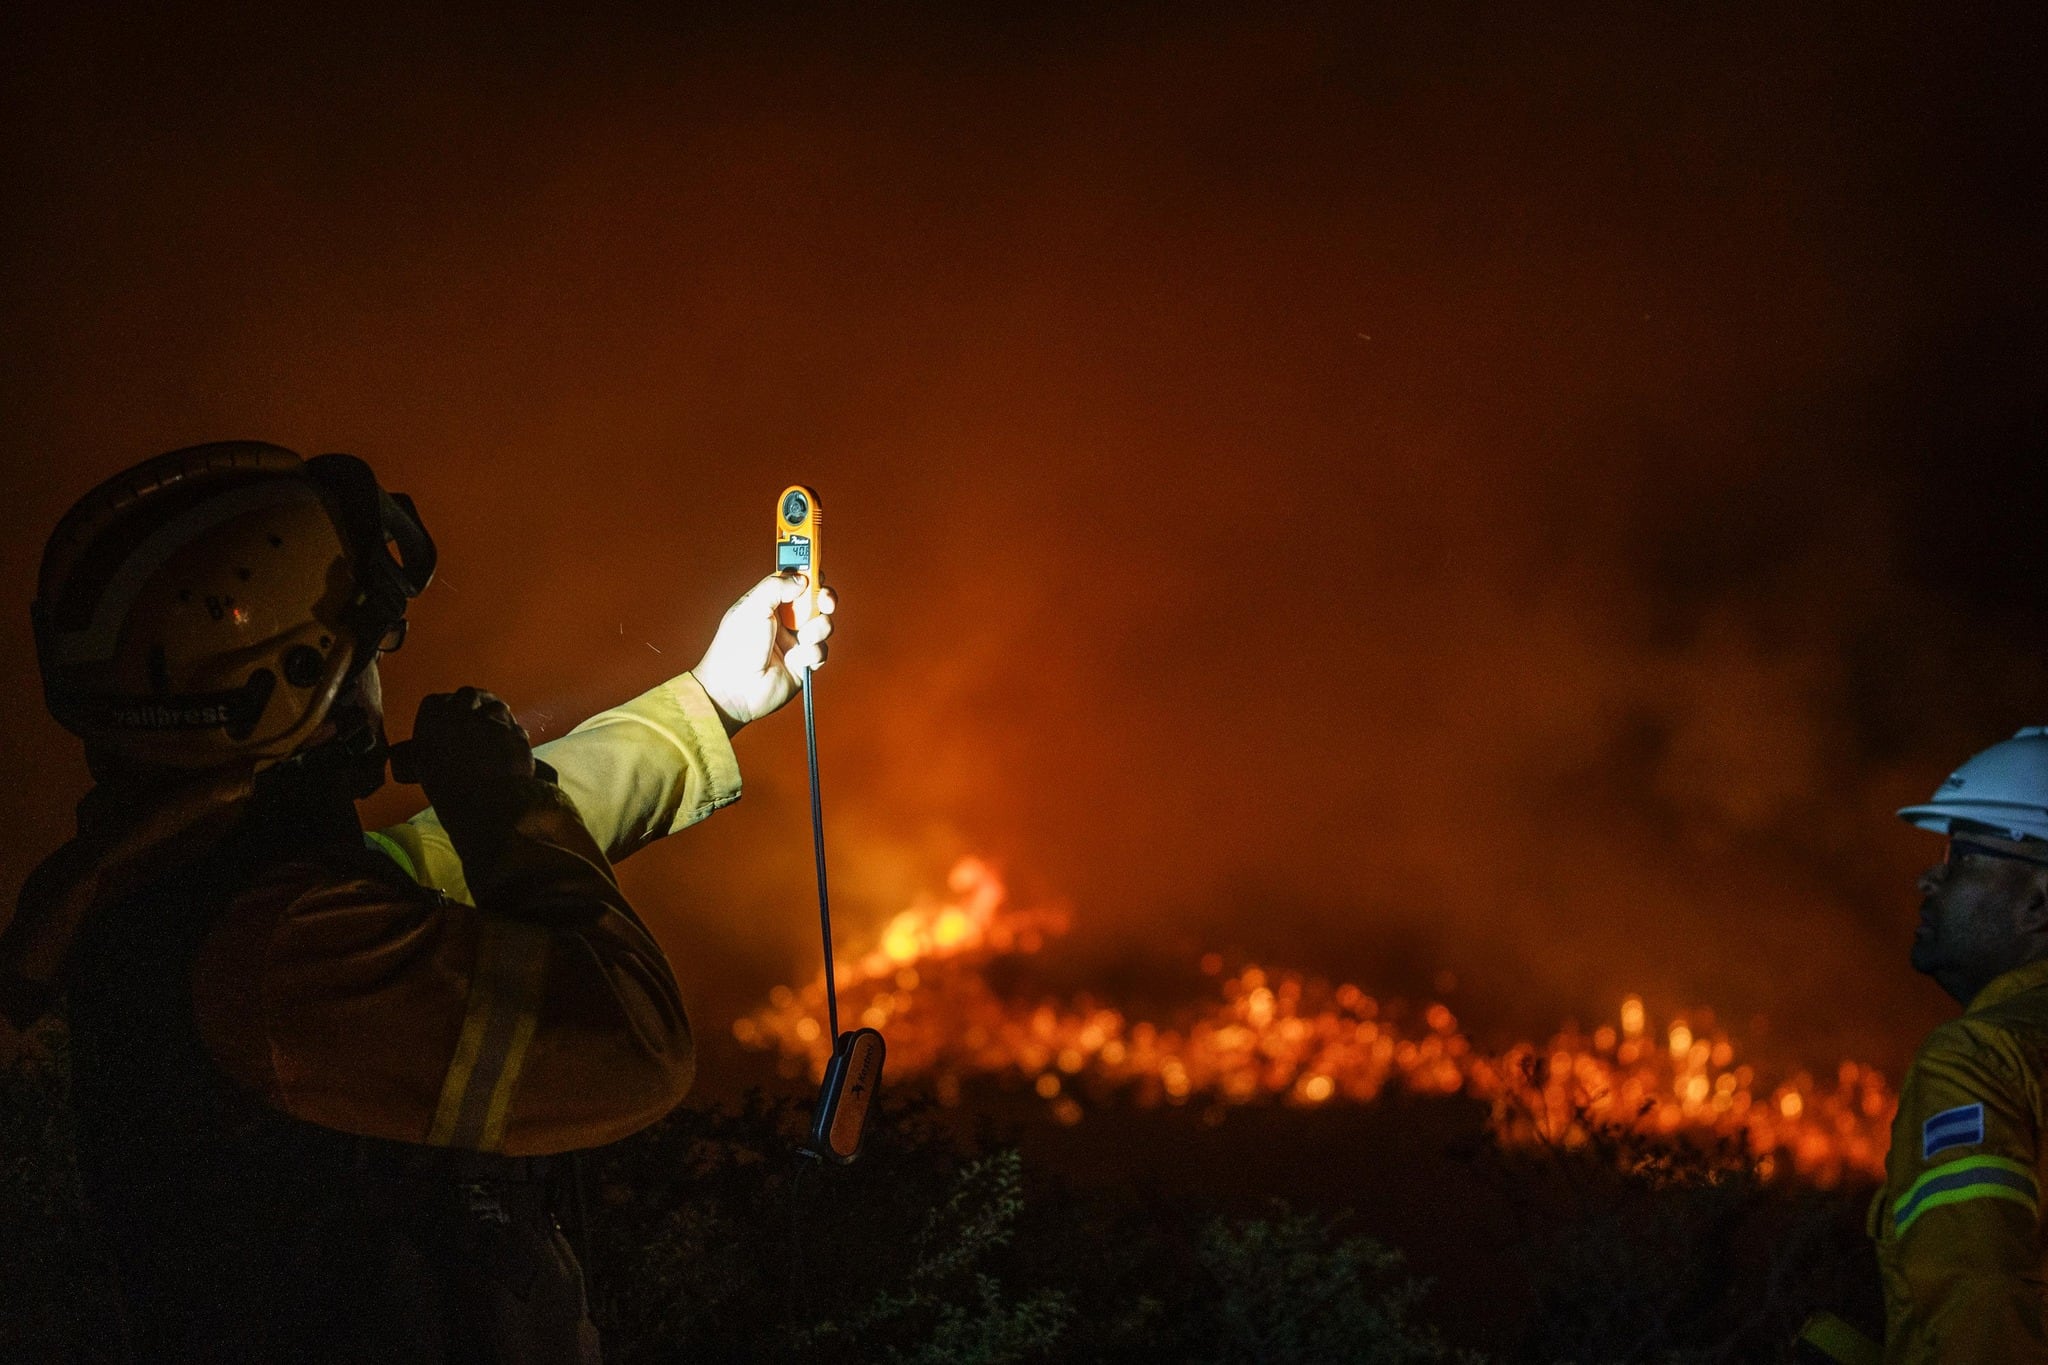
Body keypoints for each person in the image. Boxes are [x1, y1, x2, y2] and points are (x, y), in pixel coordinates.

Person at [0, 441, 835, 1363]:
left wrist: (709, 700)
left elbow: (432, 859)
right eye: (366, 644)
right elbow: (635, 1040)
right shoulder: (282, 955)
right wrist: (508, 808)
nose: (378, 674)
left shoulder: (205, 887)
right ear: (291, 675)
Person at [1875, 726, 2048, 1360]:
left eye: (1960, 859)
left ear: (2037, 903)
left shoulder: (1978, 1059)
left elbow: (1981, 1302)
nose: (1929, 881)